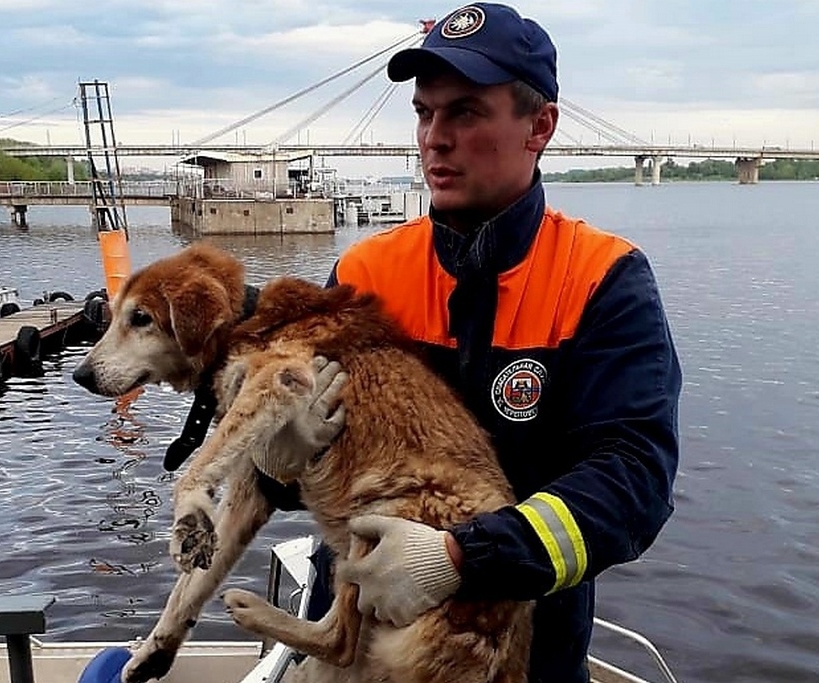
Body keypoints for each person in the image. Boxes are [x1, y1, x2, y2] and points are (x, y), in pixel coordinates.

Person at [251, 3, 681, 681]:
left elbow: (634, 482)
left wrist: (461, 557)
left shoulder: (601, 279)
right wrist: (272, 460)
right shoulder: (365, 273)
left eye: (466, 113)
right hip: (353, 651)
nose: (435, 138)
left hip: (520, 659)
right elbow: (313, 470)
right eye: (425, 113)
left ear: (540, 126)